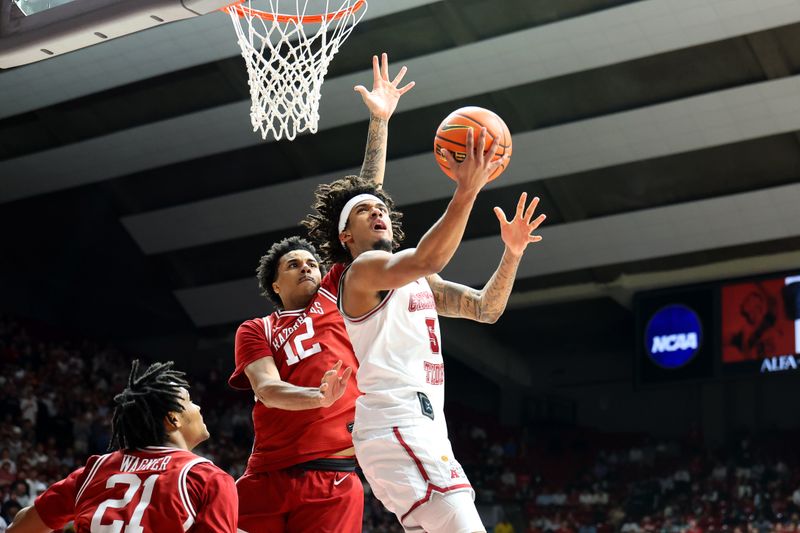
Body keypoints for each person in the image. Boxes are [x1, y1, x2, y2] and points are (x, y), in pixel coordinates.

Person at [302, 129, 545, 532]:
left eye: (381, 208)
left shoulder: (414, 280)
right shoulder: (360, 272)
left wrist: (512, 253)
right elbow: (429, 257)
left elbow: (486, 309)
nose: (377, 212)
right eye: (364, 211)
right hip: (396, 423)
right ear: (346, 236)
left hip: (418, 430)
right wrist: (466, 190)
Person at [229, 52, 414, 533]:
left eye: (314, 261)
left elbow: (365, 195)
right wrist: (316, 396)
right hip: (266, 474)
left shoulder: (338, 291)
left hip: (332, 474)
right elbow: (268, 390)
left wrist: (379, 122)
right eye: (296, 264)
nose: (310, 267)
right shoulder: (256, 329)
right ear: (275, 283)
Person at [7, 360, 237, 533]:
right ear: (173, 419)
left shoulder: (95, 470)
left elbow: (21, 527)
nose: (197, 407)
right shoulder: (208, 479)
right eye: (189, 400)